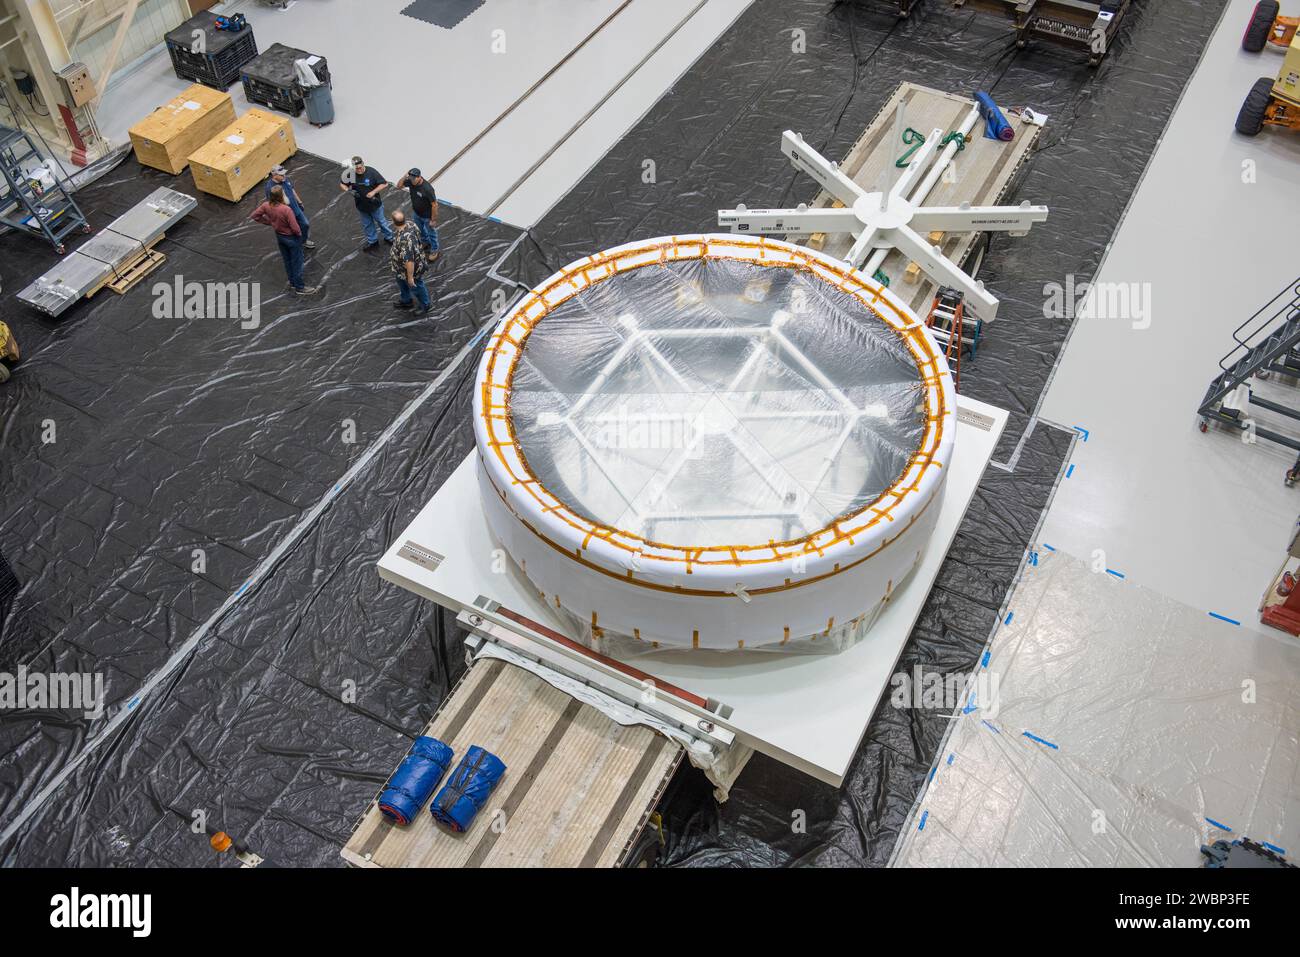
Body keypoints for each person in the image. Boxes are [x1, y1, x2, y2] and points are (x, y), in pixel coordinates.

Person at [250, 186, 318, 295]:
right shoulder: (286, 209)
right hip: (292, 238)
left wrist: (270, 222)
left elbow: (254, 216)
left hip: (280, 237)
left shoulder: (266, 205)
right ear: (281, 196)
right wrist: (299, 236)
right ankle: (300, 287)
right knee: (297, 262)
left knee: (287, 261)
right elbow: (295, 228)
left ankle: (292, 282)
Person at [340, 155, 393, 247]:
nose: (359, 170)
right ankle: (373, 242)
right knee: (367, 225)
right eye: (356, 168)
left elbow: (384, 184)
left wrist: (373, 192)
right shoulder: (351, 173)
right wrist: (349, 191)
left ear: (363, 164)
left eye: (360, 167)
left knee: (382, 223)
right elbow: (342, 184)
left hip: (374, 205)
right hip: (361, 206)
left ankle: (389, 238)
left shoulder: (371, 172)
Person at [389, 211, 429, 316]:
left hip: (411, 269)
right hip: (400, 269)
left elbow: (409, 261)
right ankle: (406, 300)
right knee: (401, 282)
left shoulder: (404, 240)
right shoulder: (411, 224)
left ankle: (425, 305)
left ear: (393, 222)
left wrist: (410, 278)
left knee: (417, 285)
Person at [264, 165, 315, 249]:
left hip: (296, 208)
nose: (284, 176)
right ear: (274, 175)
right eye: (281, 175)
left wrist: (300, 201)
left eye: (284, 174)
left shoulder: (285, 179)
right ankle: (295, 246)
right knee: (292, 231)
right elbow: (272, 204)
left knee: (305, 224)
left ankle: (304, 241)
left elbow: (292, 190)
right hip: (286, 214)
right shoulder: (270, 188)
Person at [395, 167, 439, 262]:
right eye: (411, 178)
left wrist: (433, 219)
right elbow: (398, 186)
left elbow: (434, 205)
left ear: (419, 177)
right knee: (420, 230)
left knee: (432, 233)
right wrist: (404, 177)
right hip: (417, 213)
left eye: (414, 179)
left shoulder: (427, 189)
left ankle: (435, 249)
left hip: (427, 216)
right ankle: (425, 241)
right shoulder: (411, 181)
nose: (412, 181)